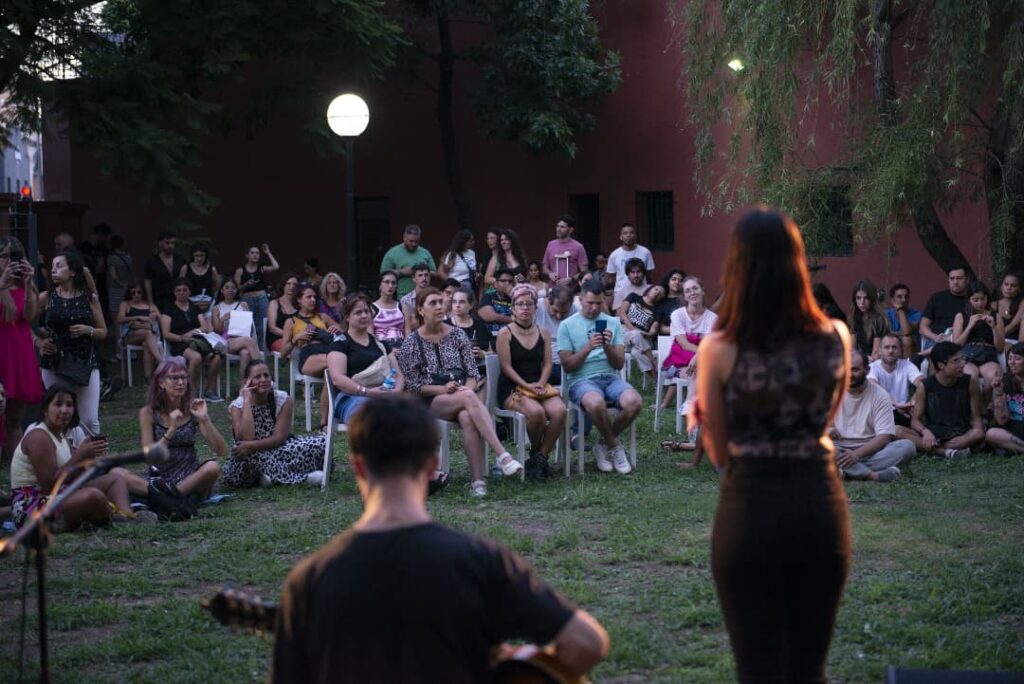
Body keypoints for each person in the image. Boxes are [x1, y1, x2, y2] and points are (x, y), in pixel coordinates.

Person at [269, 395, 609, 683]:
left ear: (358, 467)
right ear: (432, 466)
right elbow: (586, 644)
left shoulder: (309, 579)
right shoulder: (481, 561)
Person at [693, 207, 851, 684]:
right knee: (809, 669)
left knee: (758, 670)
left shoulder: (719, 349)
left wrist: (702, 418)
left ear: (735, 267)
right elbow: (823, 422)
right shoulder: (835, 338)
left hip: (749, 512)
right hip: (818, 506)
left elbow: (719, 452)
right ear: (798, 263)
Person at [396, 288, 523, 497]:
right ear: (420, 309)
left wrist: (468, 389)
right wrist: (443, 389)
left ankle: (478, 482)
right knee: (467, 398)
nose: (439, 306)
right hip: (426, 402)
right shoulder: (411, 342)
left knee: (467, 416)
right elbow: (413, 386)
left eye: (440, 301)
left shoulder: (457, 335)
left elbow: (472, 373)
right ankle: (502, 454)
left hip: (460, 397)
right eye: (432, 303)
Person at [10, 384, 152, 530]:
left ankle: (126, 516)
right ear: (46, 410)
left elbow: (73, 476)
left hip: (60, 495)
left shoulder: (61, 435)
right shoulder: (39, 437)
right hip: (32, 507)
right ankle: (113, 517)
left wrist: (88, 459)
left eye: (69, 405)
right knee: (93, 496)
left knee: (114, 480)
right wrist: (79, 455)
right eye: (58, 404)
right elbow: (49, 486)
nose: (64, 410)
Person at [557, 279, 643, 474]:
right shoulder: (567, 325)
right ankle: (615, 446)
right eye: (590, 303)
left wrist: (606, 346)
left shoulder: (612, 323)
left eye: (598, 303)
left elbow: (619, 363)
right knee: (595, 403)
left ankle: (603, 444)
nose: (595, 308)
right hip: (581, 380)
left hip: (610, 377)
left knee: (634, 401)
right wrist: (588, 347)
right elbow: (568, 365)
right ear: (580, 300)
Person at [496, 284, 566, 480]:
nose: (525, 308)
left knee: (559, 412)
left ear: (536, 308)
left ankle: (538, 458)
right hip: (513, 387)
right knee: (536, 413)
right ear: (513, 309)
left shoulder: (543, 332)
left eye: (529, 304)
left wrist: (542, 383)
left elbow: (547, 363)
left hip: (539, 385)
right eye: (520, 304)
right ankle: (538, 457)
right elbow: (506, 368)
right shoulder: (505, 333)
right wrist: (528, 386)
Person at [222, 360, 326, 488]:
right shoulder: (237, 406)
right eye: (257, 377)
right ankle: (304, 478)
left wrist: (252, 445)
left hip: (275, 449)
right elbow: (246, 439)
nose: (263, 379)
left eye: (266, 375)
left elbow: (279, 438)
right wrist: (247, 401)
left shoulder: (282, 399)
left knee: (322, 443)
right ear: (247, 382)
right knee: (250, 454)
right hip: (249, 456)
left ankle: (268, 476)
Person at [38, 250, 107, 437]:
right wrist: (39, 341)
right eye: (52, 266)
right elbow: (25, 323)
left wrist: (88, 330)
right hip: (54, 361)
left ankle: (97, 463)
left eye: (59, 266)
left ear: (73, 271)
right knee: (60, 417)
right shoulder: (46, 297)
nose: (53, 270)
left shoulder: (89, 298)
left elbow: (103, 332)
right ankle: (66, 461)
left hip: (85, 361)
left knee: (89, 419)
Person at [136, 357, 224, 499]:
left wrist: (204, 418)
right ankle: (174, 496)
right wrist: (171, 430)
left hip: (189, 477)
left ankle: (168, 498)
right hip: (160, 476)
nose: (181, 382)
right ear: (161, 383)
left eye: (184, 377)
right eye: (174, 378)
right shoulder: (148, 413)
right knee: (118, 474)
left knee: (213, 467)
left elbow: (221, 450)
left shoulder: (192, 408)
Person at [832, 350, 915, 482]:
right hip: (838, 449)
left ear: (867, 370)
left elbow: (884, 437)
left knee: (907, 447)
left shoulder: (880, 395)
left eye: (854, 370)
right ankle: (872, 475)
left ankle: (844, 472)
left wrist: (856, 455)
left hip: (869, 451)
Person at [327, 293, 405, 426]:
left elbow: (398, 374)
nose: (364, 315)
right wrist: (368, 392)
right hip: (352, 398)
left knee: (410, 413)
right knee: (373, 415)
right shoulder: (340, 344)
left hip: (384, 396)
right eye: (358, 313)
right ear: (347, 317)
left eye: (366, 311)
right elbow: (337, 379)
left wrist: (396, 393)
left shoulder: (382, 344)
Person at [900, 341, 985, 458]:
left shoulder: (970, 382)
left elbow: (977, 422)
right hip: (934, 433)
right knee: (896, 430)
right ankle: (946, 452)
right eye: (956, 361)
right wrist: (925, 431)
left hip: (960, 433)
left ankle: (941, 449)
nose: (962, 364)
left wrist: (969, 436)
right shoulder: (925, 386)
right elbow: (915, 421)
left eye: (962, 359)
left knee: (978, 433)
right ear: (941, 365)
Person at [0, 236, 43, 458]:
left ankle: (17, 473)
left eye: (14, 256)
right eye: (4, 256)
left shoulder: (26, 286)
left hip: (19, 355)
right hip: (2, 354)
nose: (9, 261)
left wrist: (27, 284)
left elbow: (28, 315)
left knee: (14, 418)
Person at [281, 283, 341, 424]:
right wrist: (296, 338)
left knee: (331, 372)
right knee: (338, 363)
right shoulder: (291, 321)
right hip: (309, 355)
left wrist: (336, 329)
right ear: (299, 300)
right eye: (308, 297)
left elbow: (342, 330)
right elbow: (283, 352)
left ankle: (324, 422)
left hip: (327, 351)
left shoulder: (323, 317)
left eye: (314, 297)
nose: (313, 299)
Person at [662, 276, 718, 416]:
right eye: (688, 291)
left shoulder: (712, 318)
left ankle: (691, 407)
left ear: (702, 291)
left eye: (695, 288)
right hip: (677, 364)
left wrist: (699, 356)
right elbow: (683, 343)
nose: (692, 293)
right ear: (685, 296)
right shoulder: (677, 315)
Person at [160, 278, 223, 401]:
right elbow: (166, 333)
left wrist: (194, 332)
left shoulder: (194, 307)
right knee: (196, 357)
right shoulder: (168, 309)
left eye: (185, 290)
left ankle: (209, 391)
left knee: (217, 357)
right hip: (179, 342)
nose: (182, 292)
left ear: (189, 292)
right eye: (178, 290)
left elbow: (204, 326)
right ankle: (190, 393)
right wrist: (182, 337)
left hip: (198, 340)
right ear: (174, 292)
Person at [952, 280, 1005, 397]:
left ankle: (983, 410)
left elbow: (1000, 348)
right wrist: (970, 325)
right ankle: (978, 412)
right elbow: (956, 345)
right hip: (967, 354)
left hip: (988, 354)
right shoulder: (961, 316)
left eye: (983, 299)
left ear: (987, 298)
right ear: (969, 300)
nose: (980, 303)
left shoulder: (995, 316)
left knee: (993, 378)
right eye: (975, 300)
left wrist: (994, 328)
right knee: (971, 377)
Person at [868, 333, 924, 428]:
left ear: (900, 351)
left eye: (894, 347)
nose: (891, 351)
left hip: (904, 412)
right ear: (880, 351)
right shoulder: (873, 368)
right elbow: (873, 387)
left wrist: (912, 403)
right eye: (887, 347)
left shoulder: (907, 365)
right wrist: (896, 405)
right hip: (880, 411)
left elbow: (923, 384)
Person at [211, 278, 263, 381]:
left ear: (236, 290)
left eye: (233, 288)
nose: (230, 290)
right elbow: (217, 331)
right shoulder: (217, 308)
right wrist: (223, 319)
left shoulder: (243, 305)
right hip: (226, 341)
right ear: (222, 290)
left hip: (242, 338)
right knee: (248, 341)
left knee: (245, 353)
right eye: (227, 288)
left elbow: (249, 325)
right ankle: (263, 373)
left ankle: (243, 387)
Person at [445, 287, 492, 393]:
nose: (457, 305)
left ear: (471, 305)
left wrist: (483, 354)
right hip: (451, 374)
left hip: (478, 372)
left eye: (461, 302)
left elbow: (492, 352)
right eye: (454, 302)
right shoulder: (444, 326)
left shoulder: (480, 326)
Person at [234, 243, 279, 349]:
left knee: (262, 325)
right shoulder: (240, 270)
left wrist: (268, 253)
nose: (255, 255)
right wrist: (245, 285)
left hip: (262, 298)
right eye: (252, 253)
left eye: (257, 253)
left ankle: (261, 349)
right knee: (247, 326)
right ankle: (248, 348)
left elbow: (276, 267)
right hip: (247, 299)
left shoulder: (261, 268)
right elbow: (235, 289)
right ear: (247, 255)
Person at [116, 279, 164, 380]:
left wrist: (155, 315)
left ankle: (149, 378)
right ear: (129, 293)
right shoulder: (125, 304)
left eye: (139, 292)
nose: (136, 295)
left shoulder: (150, 305)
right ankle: (161, 362)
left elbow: (161, 320)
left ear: (143, 292)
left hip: (148, 335)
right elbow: (119, 319)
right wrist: (137, 317)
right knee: (147, 334)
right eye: (133, 293)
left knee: (146, 343)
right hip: (130, 335)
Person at [618, 283, 665, 381]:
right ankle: (655, 364)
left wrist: (644, 334)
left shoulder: (658, 311)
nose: (657, 293)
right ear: (650, 288)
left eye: (660, 294)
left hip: (641, 339)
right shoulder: (633, 297)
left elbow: (653, 331)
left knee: (636, 353)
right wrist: (634, 330)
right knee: (635, 334)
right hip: (624, 336)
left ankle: (656, 380)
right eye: (656, 289)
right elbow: (622, 313)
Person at [920, 265, 969, 353]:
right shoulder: (936, 298)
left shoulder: (972, 300)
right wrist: (935, 337)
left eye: (959, 278)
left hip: (962, 341)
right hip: (936, 340)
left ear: (967, 279)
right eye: (952, 278)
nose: (955, 282)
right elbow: (923, 327)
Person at [535, 283, 579, 381]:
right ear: (549, 300)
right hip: (540, 365)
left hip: (567, 366)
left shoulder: (575, 311)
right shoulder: (536, 308)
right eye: (555, 310)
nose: (559, 316)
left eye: (564, 313)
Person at [606, 223, 655, 309]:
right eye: (625, 233)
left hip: (642, 292)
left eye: (631, 233)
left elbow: (648, 273)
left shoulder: (645, 252)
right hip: (621, 293)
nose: (628, 235)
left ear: (635, 235)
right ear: (620, 237)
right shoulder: (614, 255)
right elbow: (612, 276)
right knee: (619, 318)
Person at [380, 224, 436, 297]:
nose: (413, 244)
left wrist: (421, 272)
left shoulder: (425, 253)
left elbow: (435, 274)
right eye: (411, 241)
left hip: (423, 296)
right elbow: (383, 275)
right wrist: (401, 272)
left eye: (416, 241)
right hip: (402, 296)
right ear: (404, 238)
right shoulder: (392, 253)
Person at [988, 342, 1024, 454]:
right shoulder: (1004, 381)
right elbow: (1001, 420)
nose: (1012, 363)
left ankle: (1010, 448)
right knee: (991, 434)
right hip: (1015, 426)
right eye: (1010, 359)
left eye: (1017, 359)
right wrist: (998, 393)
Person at [144, 230, 186, 314]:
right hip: (160, 300)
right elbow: (148, 283)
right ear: (160, 243)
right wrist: (151, 303)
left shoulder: (180, 259)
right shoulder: (152, 261)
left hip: (177, 299)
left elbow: (185, 279)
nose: (170, 246)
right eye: (167, 243)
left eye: (172, 243)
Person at [849, 279, 889, 361]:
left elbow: (876, 353)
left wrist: (864, 359)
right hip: (863, 359)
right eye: (858, 298)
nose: (862, 302)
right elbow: (851, 348)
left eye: (866, 298)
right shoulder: (854, 317)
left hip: (879, 360)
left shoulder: (879, 319)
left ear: (872, 299)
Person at [542, 214, 588, 283]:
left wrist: (571, 279)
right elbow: (544, 267)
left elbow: (584, 271)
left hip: (571, 289)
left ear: (571, 230)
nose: (558, 229)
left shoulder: (578, 247)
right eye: (557, 226)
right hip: (553, 288)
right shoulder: (550, 244)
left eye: (562, 227)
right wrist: (550, 274)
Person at [885, 283, 921, 358]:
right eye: (899, 297)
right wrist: (899, 334)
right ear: (892, 300)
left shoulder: (917, 314)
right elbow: (885, 333)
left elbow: (906, 332)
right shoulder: (886, 314)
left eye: (906, 297)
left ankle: (905, 368)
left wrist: (899, 309)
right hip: (889, 343)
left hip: (909, 347)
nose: (904, 300)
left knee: (907, 339)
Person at [178, 242, 220, 308]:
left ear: (206, 255)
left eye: (201, 255)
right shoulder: (185, 268)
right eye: (196, 255)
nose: (199, 259)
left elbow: (216, 285)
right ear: (192, 255)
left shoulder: (212, 269)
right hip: (190, 301)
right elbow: (180, 285)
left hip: (208, 302)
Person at [371, 270, 405, 349]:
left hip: (401, 346)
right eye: (386, 282)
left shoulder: (403, 306)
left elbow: (408, 333)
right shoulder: (371, 308)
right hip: (381, 347)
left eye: (393, 283)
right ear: (380, 285)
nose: (390, 286)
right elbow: (370, 336)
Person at [266, 273, 299, 354]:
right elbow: (272, 328)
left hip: (296, 339)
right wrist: (290, 336)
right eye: (288, 284)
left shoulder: (299, 305)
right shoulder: (274, 303)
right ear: (283, 285)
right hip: (277, 338)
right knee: (295, 348)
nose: (291, 286)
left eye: (294, 284)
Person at [479, 266, 515, 336]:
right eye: (503, 281)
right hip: (491, 336)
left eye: (510, 281)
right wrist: (513, 320)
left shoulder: (518, 298)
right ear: (495, 284)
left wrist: (513, 296)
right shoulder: (488, 296)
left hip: (512, 337)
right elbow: (489, 316)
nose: (507, 283)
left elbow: (524, 318)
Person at [400, 263, 434, 336]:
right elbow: (407, 326)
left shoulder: (437, 297)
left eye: (426, 275)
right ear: (413, 278)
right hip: (415, 337)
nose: (424, 278)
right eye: (420, 275)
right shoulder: (405, 300)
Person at [105, 234, 133, 320]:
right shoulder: (128, 256)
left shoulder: (112, 258)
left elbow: (113, 275)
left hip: (116, 288)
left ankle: (118, 332)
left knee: (115, 312)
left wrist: (120, 284)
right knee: (126, 310)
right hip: (127, 286)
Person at [992, 271, 1022, 347]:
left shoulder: (1022, 303)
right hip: (995, 342)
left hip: (1014, 343)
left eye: (1013, 286)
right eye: (1006, 284)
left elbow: (1014, 325)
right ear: (1001, 286)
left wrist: (997, 337)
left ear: (1019, 288)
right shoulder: (993, 304)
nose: (1009, 288)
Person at [655, 268, 686, 335]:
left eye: (680, 280)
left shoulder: (687, 300)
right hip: (666, 340)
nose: (677, 282)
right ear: (668, 281)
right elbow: (661, 328)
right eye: (673, 279)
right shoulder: (661, 301)